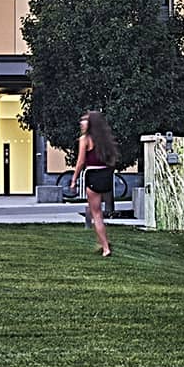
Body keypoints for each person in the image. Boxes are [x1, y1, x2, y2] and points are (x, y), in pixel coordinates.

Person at [75, 110, 118, 258]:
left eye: (84, 120)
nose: (81, 123)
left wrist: (74, 179)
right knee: (96, 211)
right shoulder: (104, 139)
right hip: (106, 175)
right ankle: (103, 241)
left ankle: (105, 247)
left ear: (90, 123)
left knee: (97, 214)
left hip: (93, 176)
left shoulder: (85, 139)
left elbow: (81, 161)